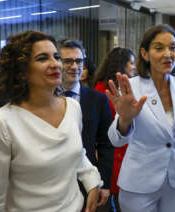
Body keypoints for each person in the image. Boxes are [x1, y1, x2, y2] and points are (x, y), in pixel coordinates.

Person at [0, 30, 102, 211]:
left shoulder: (72, 107)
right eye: (43, 58)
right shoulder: (3, 122)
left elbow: (77, 152)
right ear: (22, 70)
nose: (56, 64)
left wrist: (92, 181)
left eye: (56, 57)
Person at [107, 24, 175, 212]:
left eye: (173, 47)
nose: (168, 54)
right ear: (145, 53)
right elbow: (115, 140)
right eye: (159, 48)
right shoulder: (131, 87)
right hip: (139, 183)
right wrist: (125, 119)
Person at [59, 39, 114, 211]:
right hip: (55, 179)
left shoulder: (98, 99)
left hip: (88, 181)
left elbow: (106, 143)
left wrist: (104, 183)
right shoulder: (45, 99)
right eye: (68, 61)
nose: (75, 67)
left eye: (79, 61)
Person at [93, 47, 136, 212]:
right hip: (112, 153)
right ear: (121, 65)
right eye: (131, 63)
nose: (133, 67)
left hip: (120, 152)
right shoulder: (103, 90)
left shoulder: (120, 86)